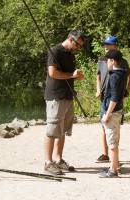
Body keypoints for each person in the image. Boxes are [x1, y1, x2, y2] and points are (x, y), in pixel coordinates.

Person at [44, 30, 86, 175]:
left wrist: (76, 76)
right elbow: (53, 73)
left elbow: (70, 75)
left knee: (62, 130)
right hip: (55, 96)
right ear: (70, 39)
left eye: (80, 46)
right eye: (78, 45)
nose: (78, 49)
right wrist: (71, 75)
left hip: (68, 96)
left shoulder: (70, 55)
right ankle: (48, 162)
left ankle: (58, 159)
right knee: (52, 131)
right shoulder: (55, 51)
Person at [96, 36, 130, 163]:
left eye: (108, 44)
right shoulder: (102, 60)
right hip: (104, 98)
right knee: (103, 124)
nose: (105, 46)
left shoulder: (121, 61)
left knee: (113, 125)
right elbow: (98, 76)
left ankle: (114, 160)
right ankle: (105, 154)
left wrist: (125, 91)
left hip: (114, 99)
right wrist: (98, 90)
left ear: (116, 46)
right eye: (104, 44)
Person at [100, 49, 128, 178]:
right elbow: (124, 94)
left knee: (111, 143)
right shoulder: (123, 73)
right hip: (118, 111)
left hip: (113, 112)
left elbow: (115, 97)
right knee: (114, 139)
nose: (106, 64)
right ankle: (114, 165)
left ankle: (113, 170)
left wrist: (107, 114)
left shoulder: (114, 76)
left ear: (112, 61)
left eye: (107, 61)